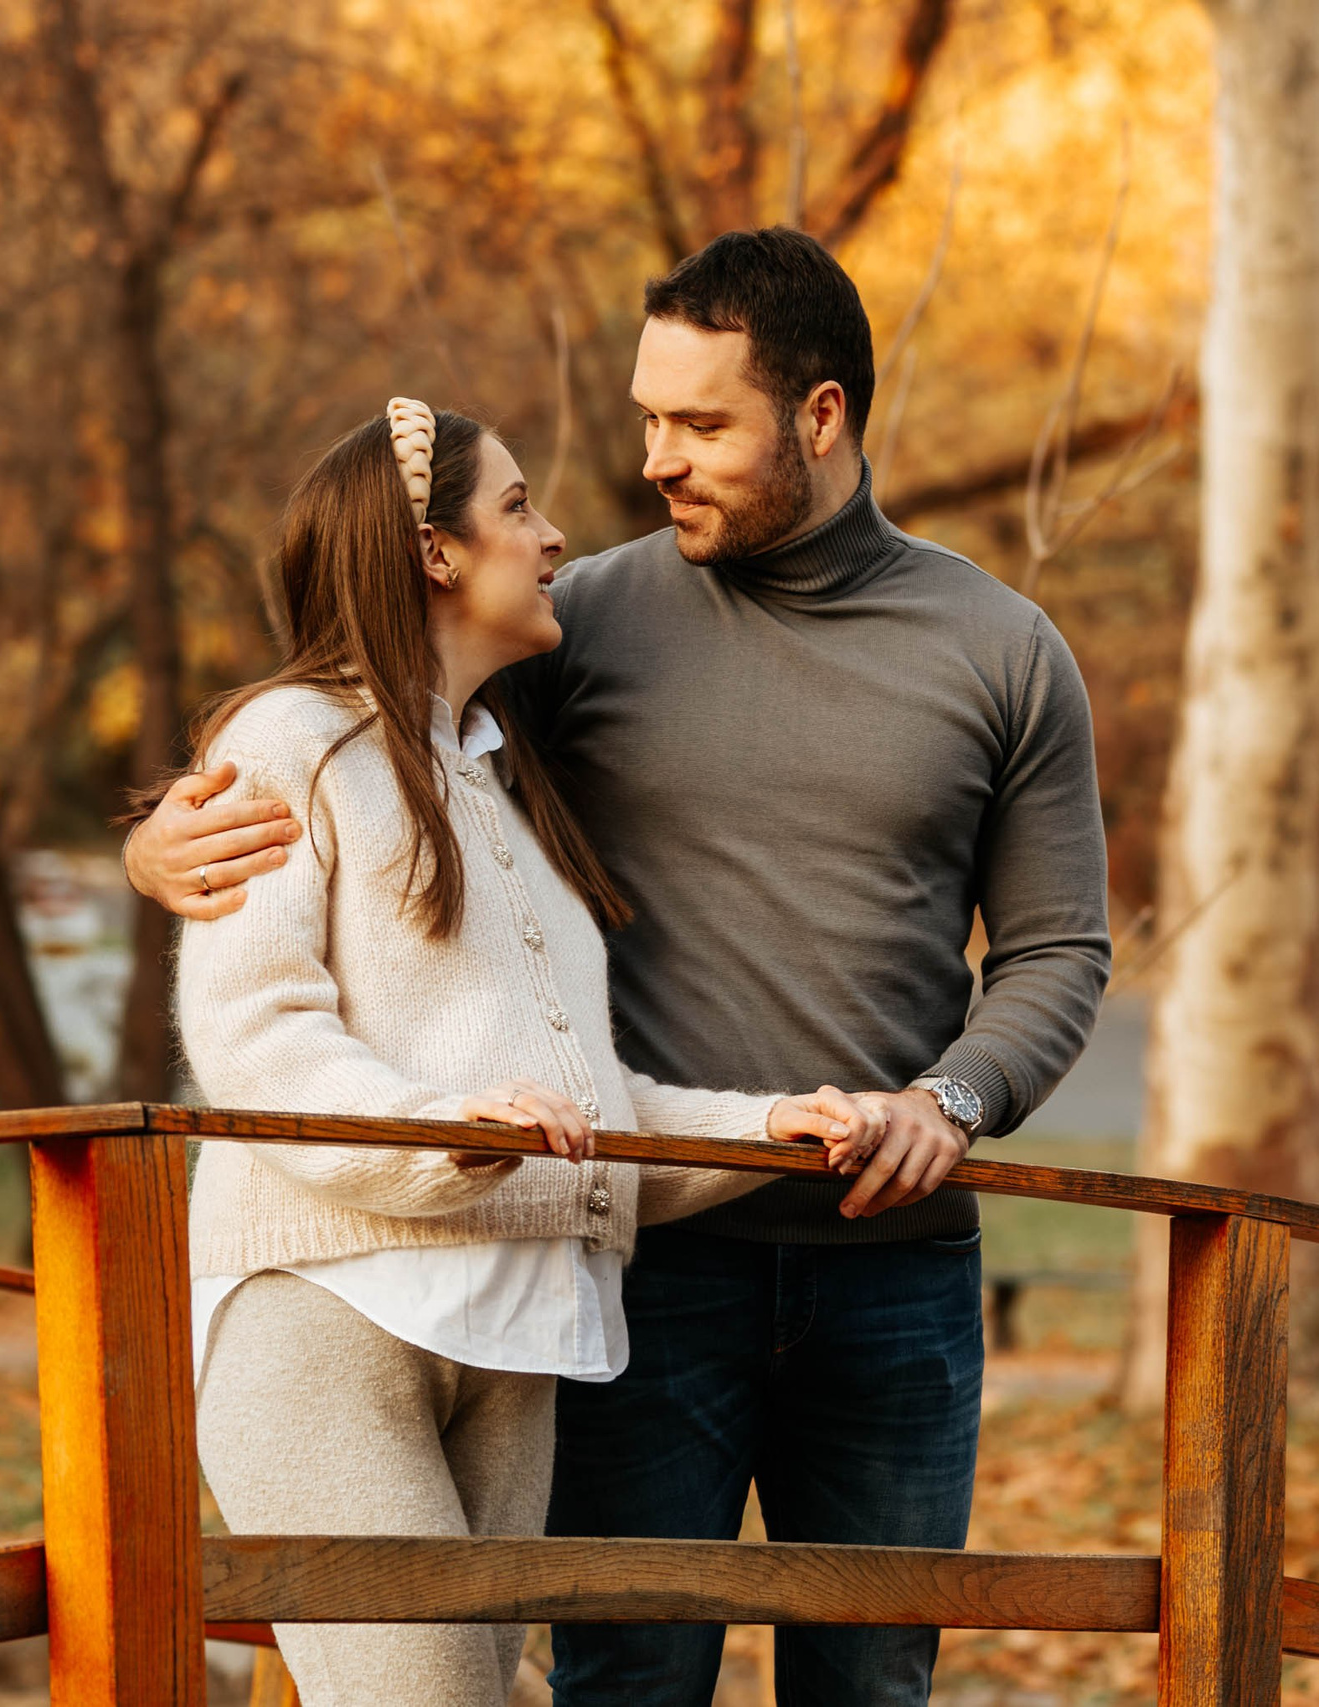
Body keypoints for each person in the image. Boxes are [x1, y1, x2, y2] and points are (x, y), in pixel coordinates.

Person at [134, 229, 1113, 1707]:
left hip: (893, 1272)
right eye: (651, 417)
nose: (656, 458)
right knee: (621, 1686)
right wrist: (160, 844)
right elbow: (359, 720)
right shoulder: (580, 621)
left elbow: (1057, 952)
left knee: (871, 1691)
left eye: (702, 424)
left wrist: (954, 1101)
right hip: (642, 1264)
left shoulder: (1005, 650)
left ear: (823, 416)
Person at [174, 395, 885, 1707]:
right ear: (436, 552)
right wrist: (453, 1129)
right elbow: (250, 1037)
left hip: (514, 1343)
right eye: (518, 508)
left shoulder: (499, 781)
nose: (554, 535)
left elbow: (585, 1113)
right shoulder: (287, 739)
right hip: (332, 1314)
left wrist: (774, 1128)